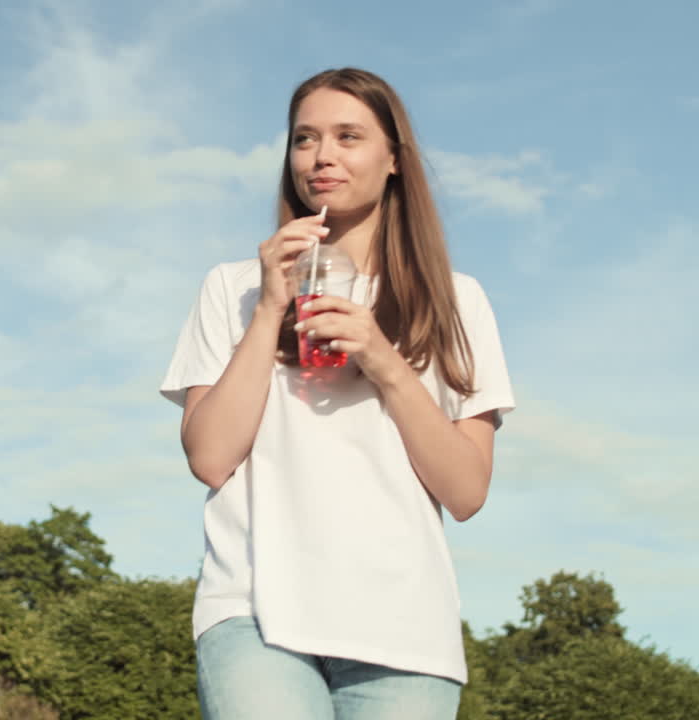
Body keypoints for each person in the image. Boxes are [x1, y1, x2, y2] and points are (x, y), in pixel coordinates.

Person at [159, 67, 516, 719]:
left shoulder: (458, 301)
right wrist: (270, 306)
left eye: (348, 136)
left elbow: (466, 491)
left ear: (393, 161)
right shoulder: (232, 287)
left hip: (404, 629)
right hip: (254, 612)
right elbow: (210, 458)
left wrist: (383, 359)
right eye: (304, 138)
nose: (322, 155)